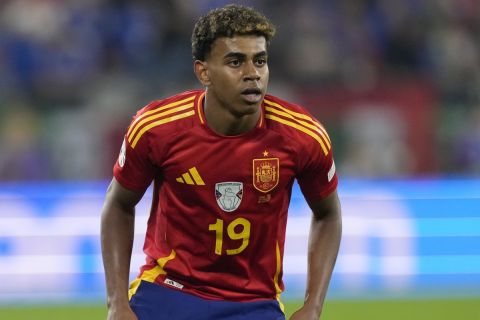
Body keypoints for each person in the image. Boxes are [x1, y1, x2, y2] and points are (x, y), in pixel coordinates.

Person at [101, 4, 342, 320]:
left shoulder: (303, 136)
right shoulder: (156, 128)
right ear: (203, 72)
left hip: (254, 302)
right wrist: (117, 303)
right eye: (235, 62)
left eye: (260, 61)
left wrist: (313, 305)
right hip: (168, 291)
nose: (252, 73)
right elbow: (118, 204)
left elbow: (328, 214)